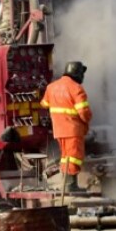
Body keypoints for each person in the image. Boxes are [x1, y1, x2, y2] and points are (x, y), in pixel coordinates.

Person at [41, 61, 93, 193]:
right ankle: (71, 186)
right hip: (73, 129)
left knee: (66, 156)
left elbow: (44, 104)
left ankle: (66, 184)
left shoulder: (51, 87)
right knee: (74, 156)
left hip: (59, 130)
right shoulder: (77, 89)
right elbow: (84, 113)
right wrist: (87, 122)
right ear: (77, 73)